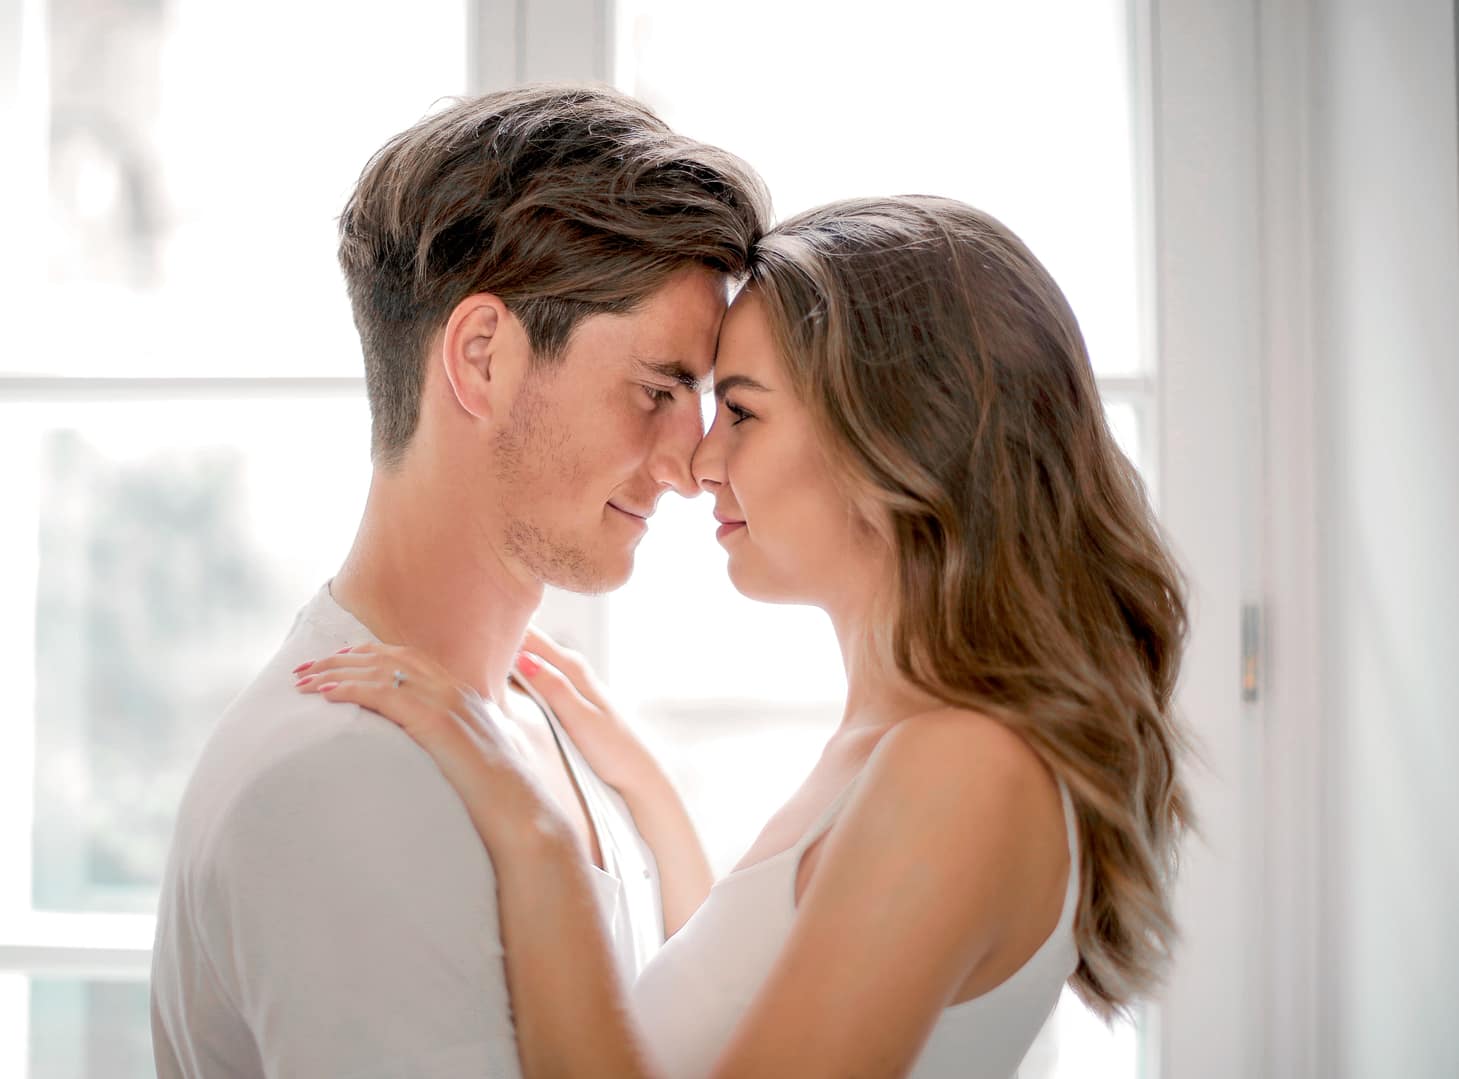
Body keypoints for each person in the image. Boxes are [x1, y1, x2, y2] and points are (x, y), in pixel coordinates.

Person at [296, 195, 1194, 1077]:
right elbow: (723, 1003)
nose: (699, 462)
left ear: (899, 440)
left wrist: (532, 835)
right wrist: (643, 787)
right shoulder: (903, 747)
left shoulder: (961, 769)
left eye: (742, 412)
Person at [150, 84, 768, 1078]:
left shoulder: (549, 722)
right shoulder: (337, 780)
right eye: (655, 390)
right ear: (480, 357)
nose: (689, 464)